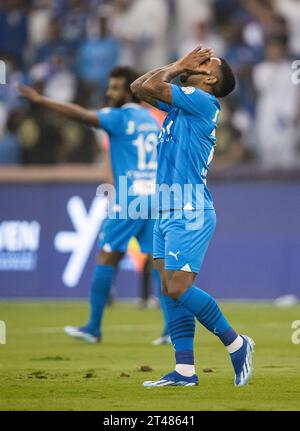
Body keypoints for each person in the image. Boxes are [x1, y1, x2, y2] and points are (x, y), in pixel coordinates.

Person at [131, 45, 255, 387]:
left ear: (211, 78)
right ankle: (184, 369)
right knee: (168, 289)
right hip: (166, 206)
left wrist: (178, 65)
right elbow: (139, 87)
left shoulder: (202, 102)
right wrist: (180, 65)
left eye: (205, 62)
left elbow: (155, 85)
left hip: (190, 209)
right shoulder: (183, 106)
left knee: (177, 286)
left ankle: (236, 342)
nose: (197, 62)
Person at [18, 66, 169, 344]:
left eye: (115, 87)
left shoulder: (119, 117)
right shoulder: (151, 119)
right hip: (155, 197)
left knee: (107, 258)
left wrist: (42, 101)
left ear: (129, 91)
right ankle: (172, 330)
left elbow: (81, 115)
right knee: (159, 264)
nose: (109, 92)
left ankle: (93, 327)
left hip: (130, 198)